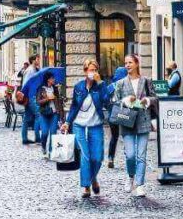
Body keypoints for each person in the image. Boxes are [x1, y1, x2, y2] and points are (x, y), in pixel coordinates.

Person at [63, 58, 110, 199]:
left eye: (95, 70)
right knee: (85, 156)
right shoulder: (78, 87)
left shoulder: (101, 86)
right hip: (79, 125)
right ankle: (86, 186)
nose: (93, 73)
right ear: (85, 71)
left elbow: (107, 102)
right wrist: (67, 122)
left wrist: (101, 83)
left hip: (96, 124)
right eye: (91, 70)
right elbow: (74, 107)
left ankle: (93, 178)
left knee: (97, 157)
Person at [115, 54, 157, 198]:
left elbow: (154, 97)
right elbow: (115, 101)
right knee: (131, 155)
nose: (127, 65)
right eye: (126, 63)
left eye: (130, 62)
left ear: (137, 63)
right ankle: (130, 176)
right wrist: (126, 100)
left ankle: (140, 184)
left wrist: (147, 100)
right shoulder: (121, 83)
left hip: (143, 120)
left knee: (141, 155)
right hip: (127, 121)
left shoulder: (146, 81)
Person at [35, 71, 64, 153]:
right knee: (44, 132)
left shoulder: (55, 88)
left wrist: (61, 115)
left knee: (53, 133)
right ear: (48, 80)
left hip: (54, 113)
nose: (54, 79)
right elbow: (38, 101)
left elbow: (59, 102)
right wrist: (48, 99)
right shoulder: (41, 89)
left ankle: (51, 151)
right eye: (52, 78)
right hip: (44, 113)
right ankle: (43, 146)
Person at [104, 66, 127, 168]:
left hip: (112, 115)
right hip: (125, 115)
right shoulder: (127, 85)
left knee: (114, 137)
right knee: (127, 136)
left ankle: (110, 158)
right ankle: (129, 158)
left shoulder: (110, 86)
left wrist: (110, 108)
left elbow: (104, 100)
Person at [19, 55, 40, 145]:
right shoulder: (30, 70)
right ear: (33, 60)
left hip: (31, 96)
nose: (39, 60)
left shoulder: (34, 69)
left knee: (27, 118)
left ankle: (24, 138)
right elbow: (26, 84)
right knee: (39, 115)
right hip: (31, 96)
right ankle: (37, 137)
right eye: (38, 59)